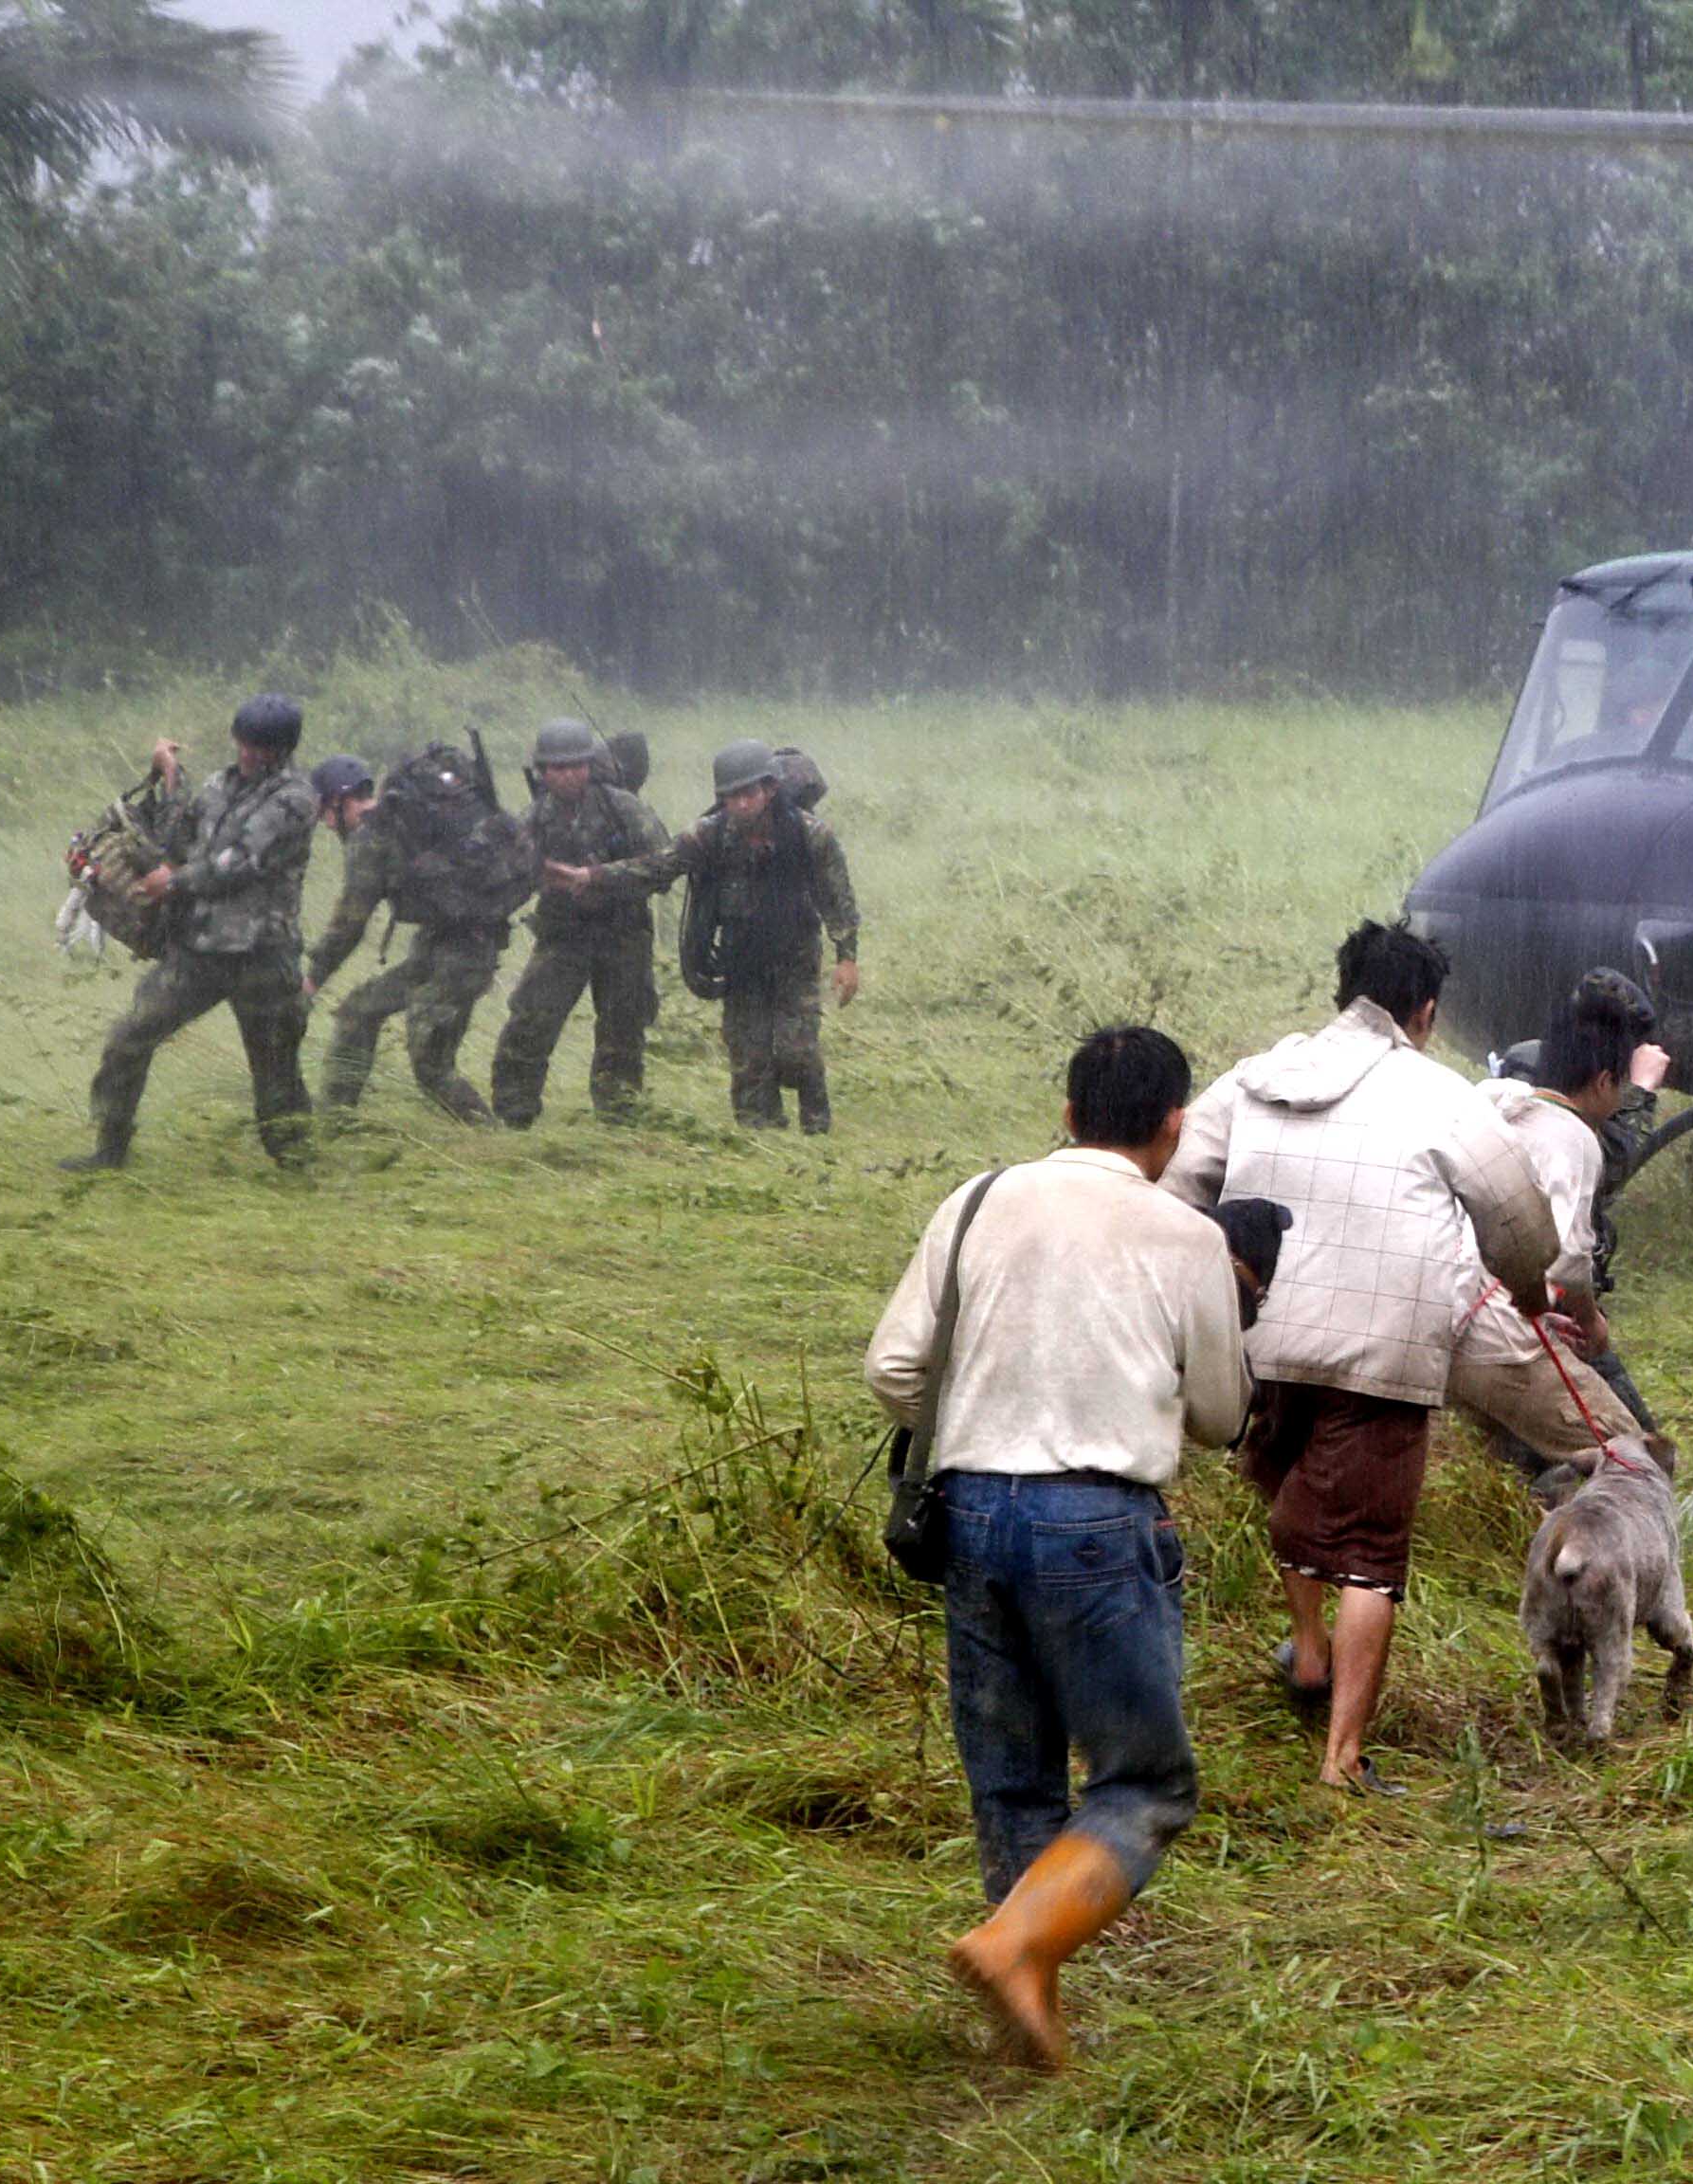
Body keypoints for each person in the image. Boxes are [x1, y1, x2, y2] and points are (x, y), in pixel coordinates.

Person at [865, 1027, 1250, 2074]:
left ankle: (1026, 1982)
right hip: (1096, 1521)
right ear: (1173, 1127)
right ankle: (1018, 1947)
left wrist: (984, 1425)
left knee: (1013, 1776)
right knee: (1144, 1786)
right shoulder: (1185, 1236)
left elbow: (896, 1366)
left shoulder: (979, 1199)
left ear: (1070, 1112)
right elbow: (1221, 1414)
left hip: (972, 1512)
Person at [1161, 919, 1619, 1794]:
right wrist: (1526, 1296)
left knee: (1293, 1498)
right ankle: (1341, 1760)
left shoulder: (1254, 1078)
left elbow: (1181, 1185)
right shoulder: (1438, 1092)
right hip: (1385, 1347)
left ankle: (1306, 1652)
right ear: (1427, 1009)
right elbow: (1519, 1220)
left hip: (1267, 1333)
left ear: (1344, 991)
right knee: (1369, 1553)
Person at [66, 696, 319, 1172]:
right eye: (244, 743)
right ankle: (110, 1150)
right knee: (130, 1038)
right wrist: (168, 774)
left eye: (260, 748)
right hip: (200, 950)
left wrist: (176, 881)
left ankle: (298, 1166)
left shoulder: (296, 800)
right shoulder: (218, 786)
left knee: (275, 1072)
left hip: (263, 956)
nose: (248, 755)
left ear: (282, 749)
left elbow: (241, 861)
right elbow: (180, 834)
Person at [578, 738, 858, 1133]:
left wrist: (846, 956)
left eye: (748, 794)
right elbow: (659, 866)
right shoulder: (708, 836)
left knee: (797, 1053)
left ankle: (816, 1127)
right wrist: (594, 877)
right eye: (731, 796)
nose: (741, 804)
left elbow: (837, 898)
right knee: (749, 1062)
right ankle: (764, 1145)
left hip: (795, 957)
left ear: (769, 789)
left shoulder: (811, 836)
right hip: (740, 961)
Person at [1484, 982, 1671, 1489]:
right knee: (1636, 1462)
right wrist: (1590, 1321)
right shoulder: (1571, 1133)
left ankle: (1528, 1524)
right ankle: (1569, 1551)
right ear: (1607, 1076)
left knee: (1521, 1455)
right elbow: (1566, 1263)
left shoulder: (1494, 1100)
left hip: (1462, 1312)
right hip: (1522, 1320)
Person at [306, 745, 531, 1124]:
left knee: (431, 1068)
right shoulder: (403, 820)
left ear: (340, 802)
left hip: (465, 952)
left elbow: (349, 925)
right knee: (358, 1011)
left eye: (325, 813)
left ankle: (491, 1139)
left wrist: (312, 981)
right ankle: (333, 1122)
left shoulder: (371, 837)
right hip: (441, 942)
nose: (326, 825)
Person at [490, 719, 673, 1127]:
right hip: (563, 937)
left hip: (623, 935)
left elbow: (666, 864)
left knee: (622, 1035)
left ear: (590, 766)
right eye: (558, 767)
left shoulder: (622, 807)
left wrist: (600, 878)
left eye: (577, 765)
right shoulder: (534, 819)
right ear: (543, 772)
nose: (570, 775)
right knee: (530, 1023)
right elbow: (510, 880)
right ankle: (513, 1117)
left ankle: (620, 1120)